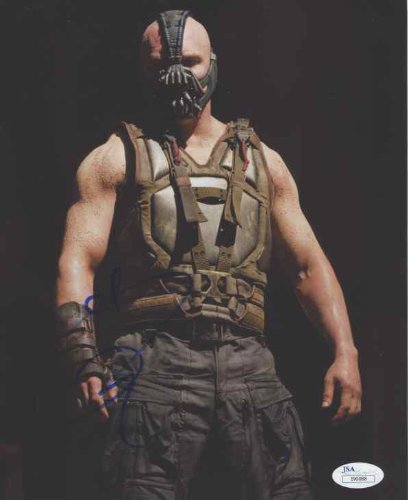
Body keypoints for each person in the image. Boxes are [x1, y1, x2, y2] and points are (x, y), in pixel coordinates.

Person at [55, 9, 362, 500]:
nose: (177, 77)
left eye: (191, 62)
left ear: (213, 62)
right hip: (155, 364)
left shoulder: (263, 162)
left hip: (249, 369)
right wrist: (83, 359)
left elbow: (307, 267)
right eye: (162, 66)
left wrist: (345, 350)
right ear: (143, 71)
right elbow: (78, 261)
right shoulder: (116, 157)